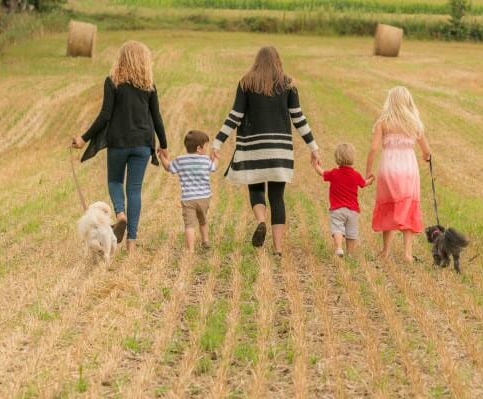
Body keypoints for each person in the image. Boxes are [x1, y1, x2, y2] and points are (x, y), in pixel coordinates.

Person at [212, 46, 320, 255]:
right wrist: (313, 147)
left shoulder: (246, 82)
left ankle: (261, 220)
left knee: (256, 189)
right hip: (280, 150)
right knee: (277, 197)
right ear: (278, 61)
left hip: (253, 148)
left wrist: (218, 142)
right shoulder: (288, 84)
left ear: (257, 61)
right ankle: (278, 248)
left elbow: (235, 115)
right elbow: (298, 118)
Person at [71, 41, 167, 255]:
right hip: (142, 143)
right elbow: (157, 118)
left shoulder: (112, 82)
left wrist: (83, 139)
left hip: (119, 143)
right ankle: (132, 243)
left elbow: (104, 116)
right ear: (144, 61)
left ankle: (120, 214)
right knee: (134, 190)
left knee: (115, 181)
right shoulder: (149, 85)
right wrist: (164, 145)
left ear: (121, 59)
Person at [365, 86, 431, 263]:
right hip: (409, 170)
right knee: (408, 208)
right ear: (409, 102)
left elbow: (373, 149)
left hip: (388, 170)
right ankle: (407, 254)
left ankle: (385, 251)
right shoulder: (414, 123)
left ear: (390, 102)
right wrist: (426, 157)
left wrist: (368, 172)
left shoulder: (383, 122)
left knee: (388, 207)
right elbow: (426, 151)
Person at [158, 130, 218, 251]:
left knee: (189, 225)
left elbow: (168, 167)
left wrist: (161, 157)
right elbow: (214, 167)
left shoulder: (181, 160)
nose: (207, 149)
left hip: (188, 198)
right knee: (203, 220)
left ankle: (190, 250)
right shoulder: (206, 160)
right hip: (204, 197)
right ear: (199, 148)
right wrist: (216, 158)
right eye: (206, 146)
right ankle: (205, 240)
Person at [313, 143, 374, 257]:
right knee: (352, 233)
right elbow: (364, 183)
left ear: (337, 158)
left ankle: (339, 248)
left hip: (337, 209)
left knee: (337, 229)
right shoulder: (355, 175)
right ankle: (350, 254)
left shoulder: (334, 173)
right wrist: (370, 180)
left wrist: (316, 166)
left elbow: (322, 173)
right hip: (353, 210)